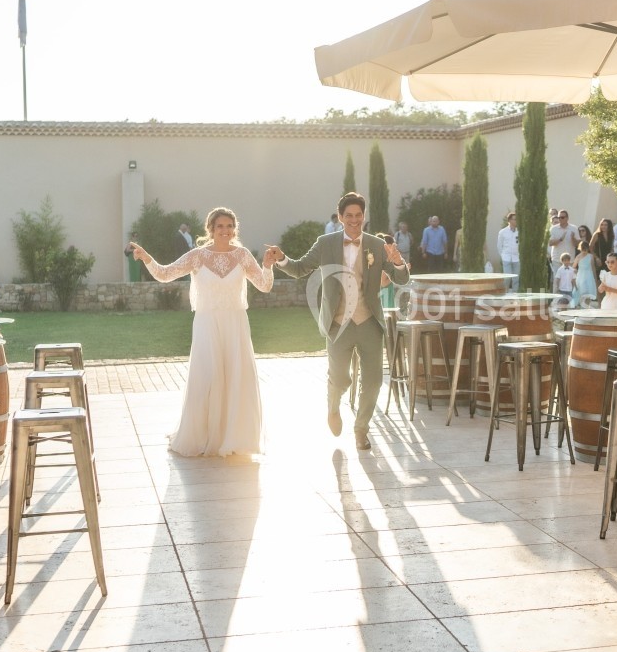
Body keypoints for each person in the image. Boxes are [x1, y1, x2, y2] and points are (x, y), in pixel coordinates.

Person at [269, 192, 410, 451]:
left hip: (369, 321)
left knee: (373, 380)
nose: (354, 220)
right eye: (349, 216)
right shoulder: (325, 243)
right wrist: (281, 258)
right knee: (340, 378)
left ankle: (361, 430)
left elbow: (401, 279)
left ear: (364, 216)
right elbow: (300, 268)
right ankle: (333, 407)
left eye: (359, 215)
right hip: (337, 323)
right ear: (340, 217)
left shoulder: (377, 246)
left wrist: (398, 262)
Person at [130, 208, 275, 458]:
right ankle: (204, 435)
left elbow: (264, 285)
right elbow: (165, 275)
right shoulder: (197, 256)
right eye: (220, 226)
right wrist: (146, 258)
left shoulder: (242, 255)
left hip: (236, 325)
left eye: (229, 226)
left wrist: (268, 266)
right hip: (207, 324)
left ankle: (235, 438)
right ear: (210, 229)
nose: (225, 230)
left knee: (235, 376)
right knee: (208, 377)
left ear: (234, 229)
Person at [548, 209, 580, 279]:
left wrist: (572, 238)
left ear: (567, 218)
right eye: (559, 217)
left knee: (568, 280)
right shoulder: (553, 229)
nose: (560, 219)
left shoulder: (574, 228)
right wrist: (560, 239)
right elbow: (550, 243)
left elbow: (577, 244)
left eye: (562, 217)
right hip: (557, 259)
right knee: (556, 280)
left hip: (569, 260)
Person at [497, 212, 520, 290]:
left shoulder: (519, 231)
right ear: (509, 220)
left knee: (516, 278)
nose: (516, 221)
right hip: (506, 258)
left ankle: (515, 295)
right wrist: (503, 256)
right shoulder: (503, 232)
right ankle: (505, 293)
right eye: (514, 219)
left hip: (516, 258)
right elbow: (499, 246)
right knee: (507, 278)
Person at [574, 240, 599, 306]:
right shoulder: (578, 257)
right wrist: (575, 274)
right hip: (581, 275)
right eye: (583, 249)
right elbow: (574, 267)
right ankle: (581, 305)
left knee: (589, 290)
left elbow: (593, 267)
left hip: (589, 275)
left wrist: (595, 278)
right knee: (582, 290)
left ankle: (587, 306)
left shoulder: (590, 256)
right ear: (580, 248)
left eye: (586, 249)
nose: (584, 251)